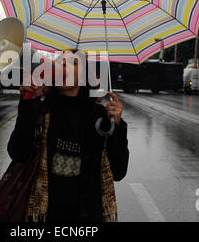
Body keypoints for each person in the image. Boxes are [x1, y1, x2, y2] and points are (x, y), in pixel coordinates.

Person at [7, 50, 129, 222]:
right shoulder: (42, 110)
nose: (63, 65)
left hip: (88, 216)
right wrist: (28, 102)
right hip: (46, 214)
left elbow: (118, 171)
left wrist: (116, 126)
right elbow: (18, 154)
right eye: (60, 62)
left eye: (73, 63)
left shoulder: (100, 116)